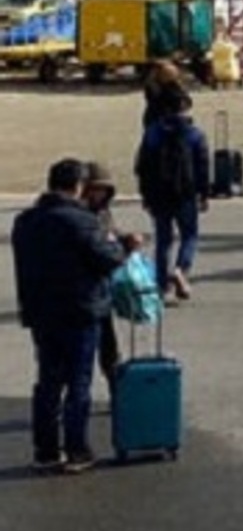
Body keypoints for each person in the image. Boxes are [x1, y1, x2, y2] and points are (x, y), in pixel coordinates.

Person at [11, 158, 132, 474]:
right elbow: (107, 259)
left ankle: (46, 450)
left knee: (48, 381)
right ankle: (77, 449)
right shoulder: (80, 221)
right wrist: (125, 248)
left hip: (41, 311)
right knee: (78, 383)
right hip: (79, 310)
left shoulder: (25, 221)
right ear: (78, 186)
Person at [133, 90, 211, 302]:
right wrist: (204, 193)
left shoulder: (152, 133)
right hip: (185, 192)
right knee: (189, 235)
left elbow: (143, 166)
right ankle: (181, 269)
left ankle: (162, 285)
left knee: (163, 240)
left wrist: (145, 194)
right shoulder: (195, 134)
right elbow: (203, 166)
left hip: (159, 193)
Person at [79, 163, 142, 402]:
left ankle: (118, 394)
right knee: (80, 355)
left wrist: (126, 239)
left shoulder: (102, 212)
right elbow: (99, 251)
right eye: (97, 189)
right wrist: (121, 250)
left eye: (105, 190)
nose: (101, 194)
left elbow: (111, 233)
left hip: (101, 290)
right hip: (83, 292)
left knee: (109, 348)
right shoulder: (79, 216)